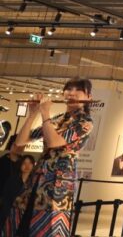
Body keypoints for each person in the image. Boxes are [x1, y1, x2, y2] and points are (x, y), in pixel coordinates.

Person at [1, 78, 94, 237]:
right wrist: (32, 114)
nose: (71, 93)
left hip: (58, 184)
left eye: (78, 90)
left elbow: (54, 142)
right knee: (21, 224)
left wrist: (45, 113)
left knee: (48, 227)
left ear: (88, 97)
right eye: (68, 89)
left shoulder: (85, 122)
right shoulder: (57, 119)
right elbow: (20, 142)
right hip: (36, 179)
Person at [0, 157, 34, 229]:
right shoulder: (12, 180)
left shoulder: (35, 181)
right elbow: (6, 197)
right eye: (24, 163)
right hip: (11, 214)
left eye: (30, 163)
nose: (27, 166)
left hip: (28, 217)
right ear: (20, 165)